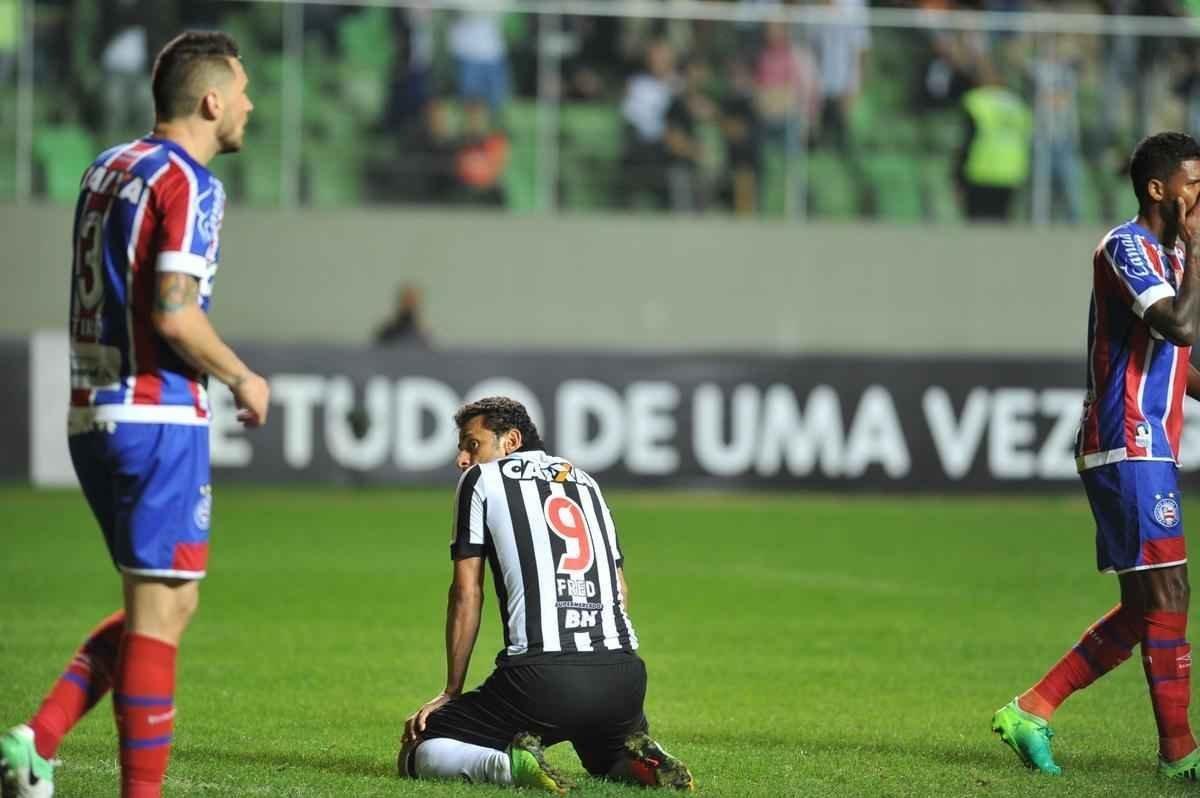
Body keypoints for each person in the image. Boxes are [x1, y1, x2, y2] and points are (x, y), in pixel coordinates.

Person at [0, 31, 268, 798]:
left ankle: (35, 741)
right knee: (159, 613)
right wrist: (243, 376)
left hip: (91, 411)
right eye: (243, 91)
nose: (250, 104)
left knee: (166, 603)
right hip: (157, 415)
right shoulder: (191, 183)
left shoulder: (110, 166)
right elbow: (175, 312)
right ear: (212, 100)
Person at [993, 132, 1200, 781]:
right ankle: (1181, 756)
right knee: (1168, 591)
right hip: (1125, 437)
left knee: (1155, 603)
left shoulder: (1168, 256)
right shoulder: (1127, 247)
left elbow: (1182, 365)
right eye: (1195, 181)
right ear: (1158, 188)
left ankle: (1032, 709)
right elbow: (1178, 326)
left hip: (1149, 441)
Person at [399, 397, 694, 794]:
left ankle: (510, 768)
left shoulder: (481, 480)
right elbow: (620, 589)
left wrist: (451, 691)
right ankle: (647, 758)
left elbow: (466, 592)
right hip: (624, 680)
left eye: (472, 444)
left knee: (420, 746)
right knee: (603, 755)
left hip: (539, 681)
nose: (462, 459)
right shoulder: (585, 481)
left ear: (511, 440)